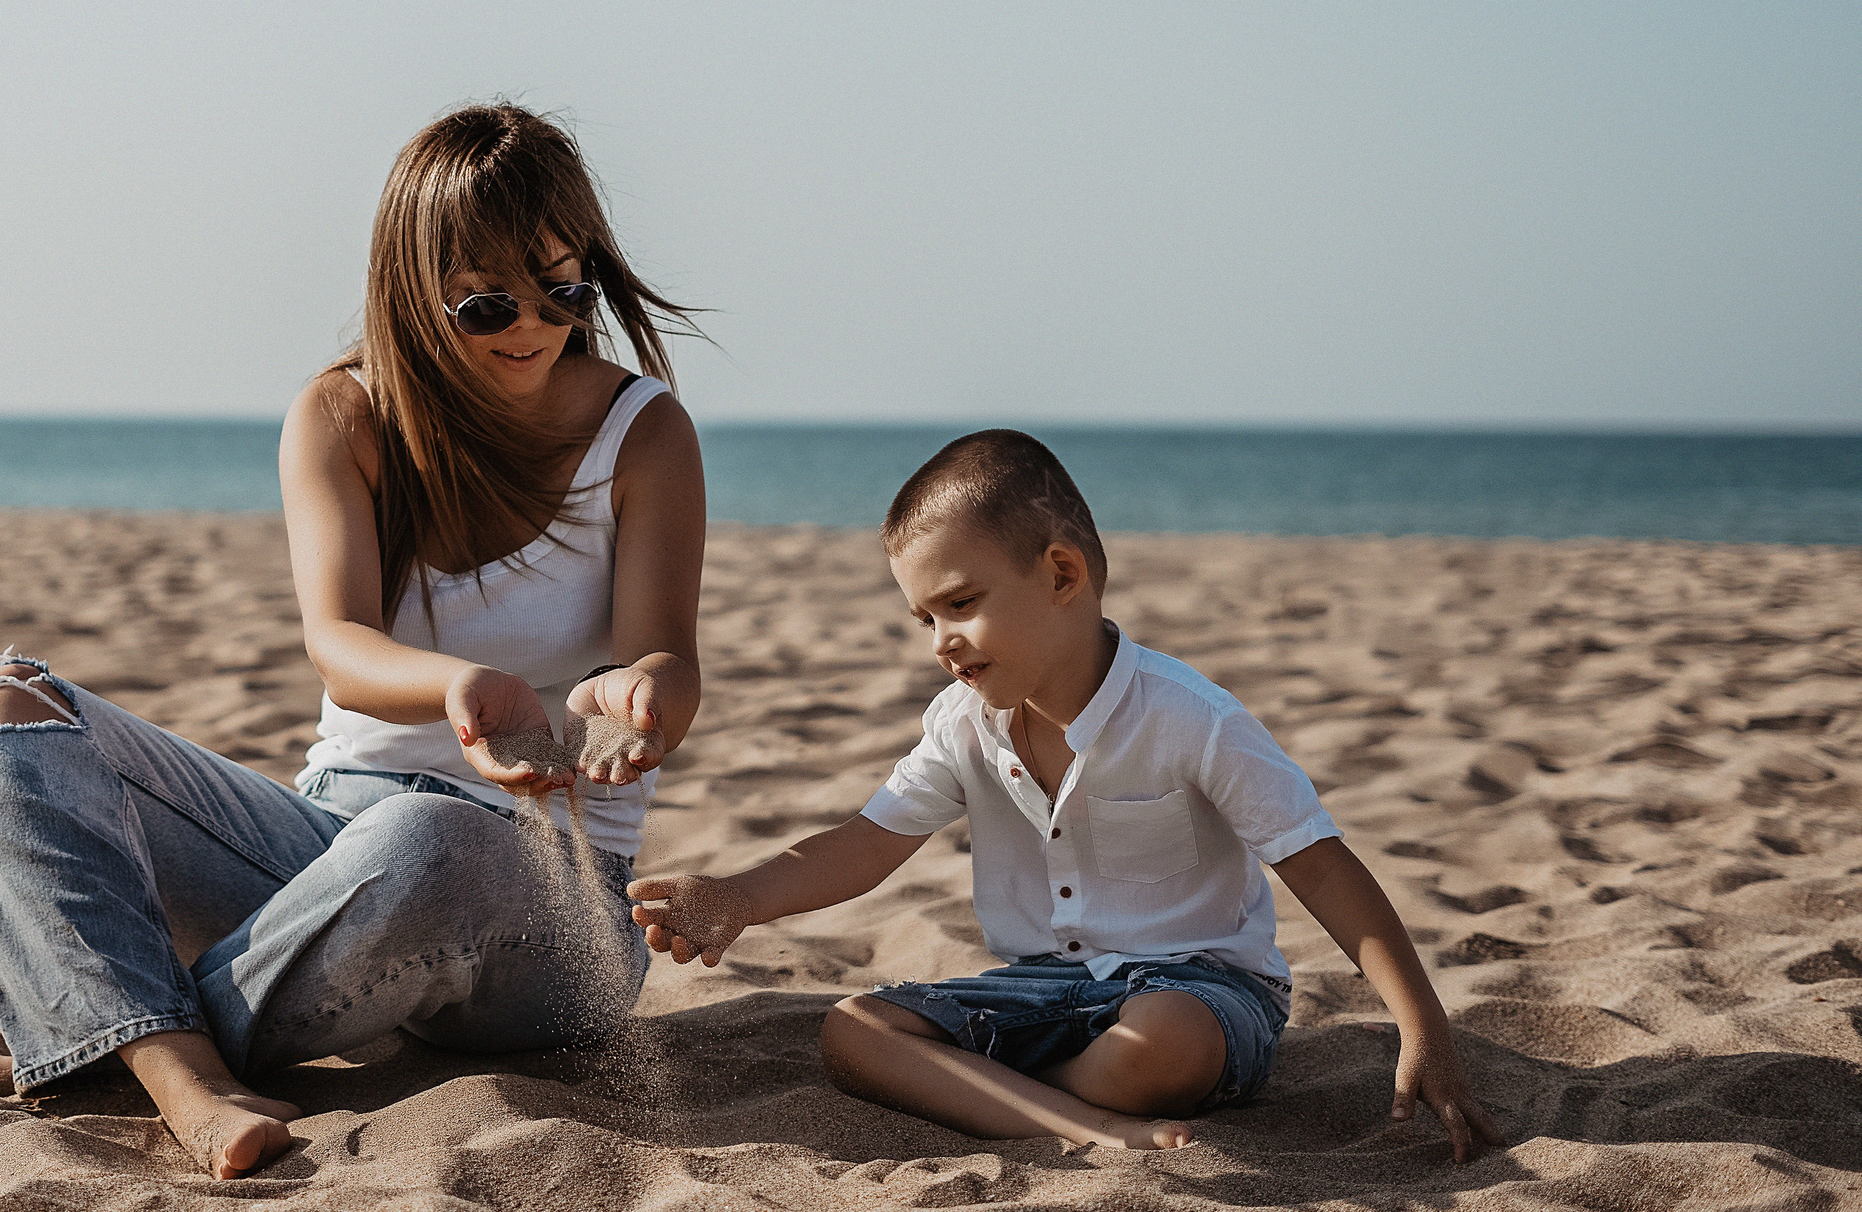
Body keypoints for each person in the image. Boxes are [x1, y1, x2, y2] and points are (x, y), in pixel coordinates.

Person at [0, 103, 707, 1179]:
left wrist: (637, 699)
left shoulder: (643, 430)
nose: (530, 327)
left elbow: (663, 656)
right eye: (486, 305)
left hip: (557, 907)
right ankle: (178, 1073)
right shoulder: (343, 415)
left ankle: (126, 1040)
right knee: (2, 712)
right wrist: (462, 686)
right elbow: (338, 640)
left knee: (429, 838)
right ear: (412, 289)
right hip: (330, 852)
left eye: (562, 292)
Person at [628, 430, 1503, 1159]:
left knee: (1159, 1045)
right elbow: (867, 840)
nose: (940, 642)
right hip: (1046, 987)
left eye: (960, 604)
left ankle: (1012, 1095)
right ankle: (1081, 1122)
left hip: (1201, 990)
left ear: (1060, 575)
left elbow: (1323, 869)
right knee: (853, 1031)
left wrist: (1423, 1026)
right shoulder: (961, 723)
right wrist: (739, 896)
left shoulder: (1192, 718)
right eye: (924, 619)